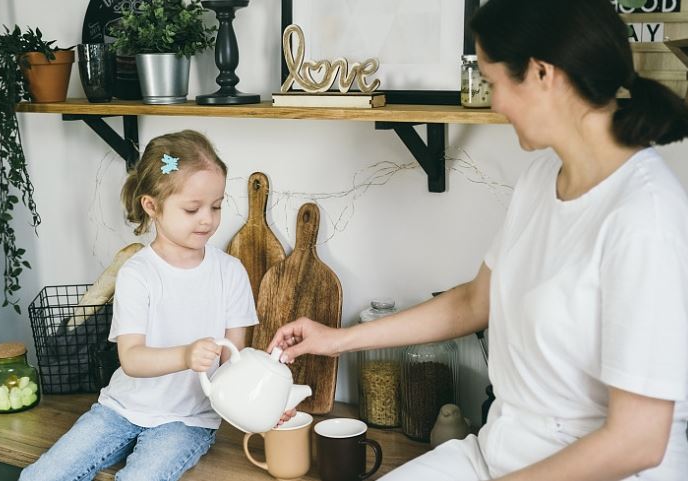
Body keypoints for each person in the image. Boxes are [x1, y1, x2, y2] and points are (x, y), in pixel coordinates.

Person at [268, 1, 688, 480]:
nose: (493, 102)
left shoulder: (645, 218)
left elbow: (638, 441)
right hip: (499, 452)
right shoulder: (542, 176)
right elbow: (473, 301)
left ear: (542, 73)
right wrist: (338, 340)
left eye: (494, 82)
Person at [21, 130, 261, 481]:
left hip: (186, 421)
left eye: (217, 205)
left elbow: (233, 366)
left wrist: (265, 404)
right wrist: (186, 355)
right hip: (120, 409)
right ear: (152, 206)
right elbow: (131, 359)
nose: (207, 219)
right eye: (192, 208)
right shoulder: (137, 273)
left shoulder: (231, 273)